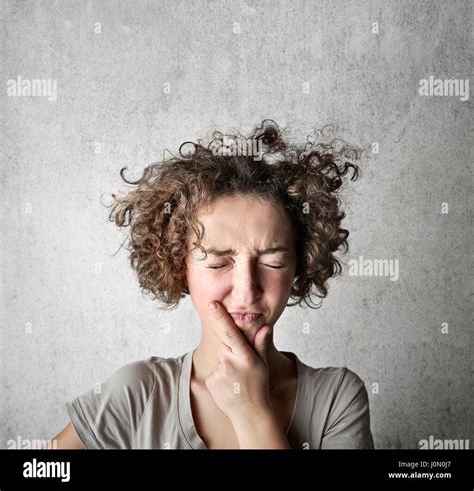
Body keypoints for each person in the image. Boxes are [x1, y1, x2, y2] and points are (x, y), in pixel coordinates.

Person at [46, 120, 375, 449]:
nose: (247, 291)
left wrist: (250, 410)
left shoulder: (337, 399)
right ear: (179, 266)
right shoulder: (137, 394)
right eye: (218, 262)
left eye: (272, 263)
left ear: (299, 266)